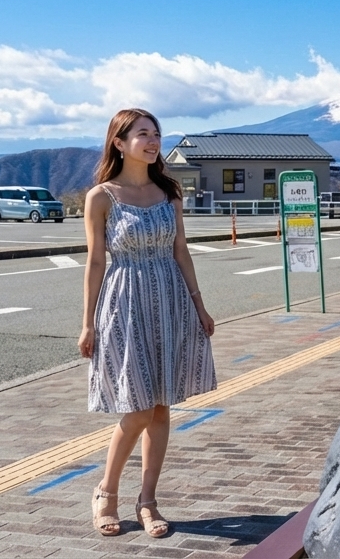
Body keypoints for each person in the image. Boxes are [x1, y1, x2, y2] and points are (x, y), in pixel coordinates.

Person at [78, 108, 217, 537]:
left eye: (156, 133)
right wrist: (87, 323)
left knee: (160, 405)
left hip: (170, 301)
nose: (154, 141)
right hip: (124, 303)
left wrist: (199, 305)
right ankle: (106, 492)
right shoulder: (101, 197)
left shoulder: (168, 192)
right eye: (143, 134)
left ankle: (148, 501)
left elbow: (181, 250)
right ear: (119, 143)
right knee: (137, 406)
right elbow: (95, 262)